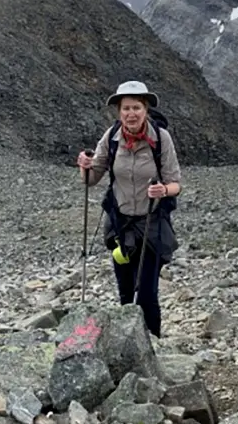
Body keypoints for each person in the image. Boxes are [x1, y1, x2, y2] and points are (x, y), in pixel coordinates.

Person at [76, 81, 182, 337]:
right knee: (125, 291)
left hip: (152, 226)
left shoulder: (161, 138)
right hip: (121, 228)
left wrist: (163, 191)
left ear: (145, 109)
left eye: (136, 107)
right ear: (118, 111)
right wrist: (84, 165)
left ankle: (153, 344)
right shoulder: (111, 138)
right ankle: (130, 346)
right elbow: (91, 179)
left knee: (146, 293)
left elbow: (175, 183)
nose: (130, 113)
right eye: (125, 108)